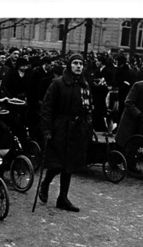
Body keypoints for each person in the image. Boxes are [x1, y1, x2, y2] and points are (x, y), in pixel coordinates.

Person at [39, 53, 93, 212]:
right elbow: (47, 108)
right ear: (69, 65)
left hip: (77, 129)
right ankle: (45, 183)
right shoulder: (58, 83)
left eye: (81, 64)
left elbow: (89, 106)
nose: (78, 66)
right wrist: (46, 129)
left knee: (69, 165)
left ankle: (63, 197)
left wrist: (88, 125)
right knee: (58, 163)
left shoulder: (84, 85)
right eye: (75, 63)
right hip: (60, 128)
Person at [115, 66, 143, 149]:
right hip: (131, 118)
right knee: (125, 142)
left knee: (136, 142)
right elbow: (128, 102)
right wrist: (139, 113)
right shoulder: (138, 85)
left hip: (142, 119)